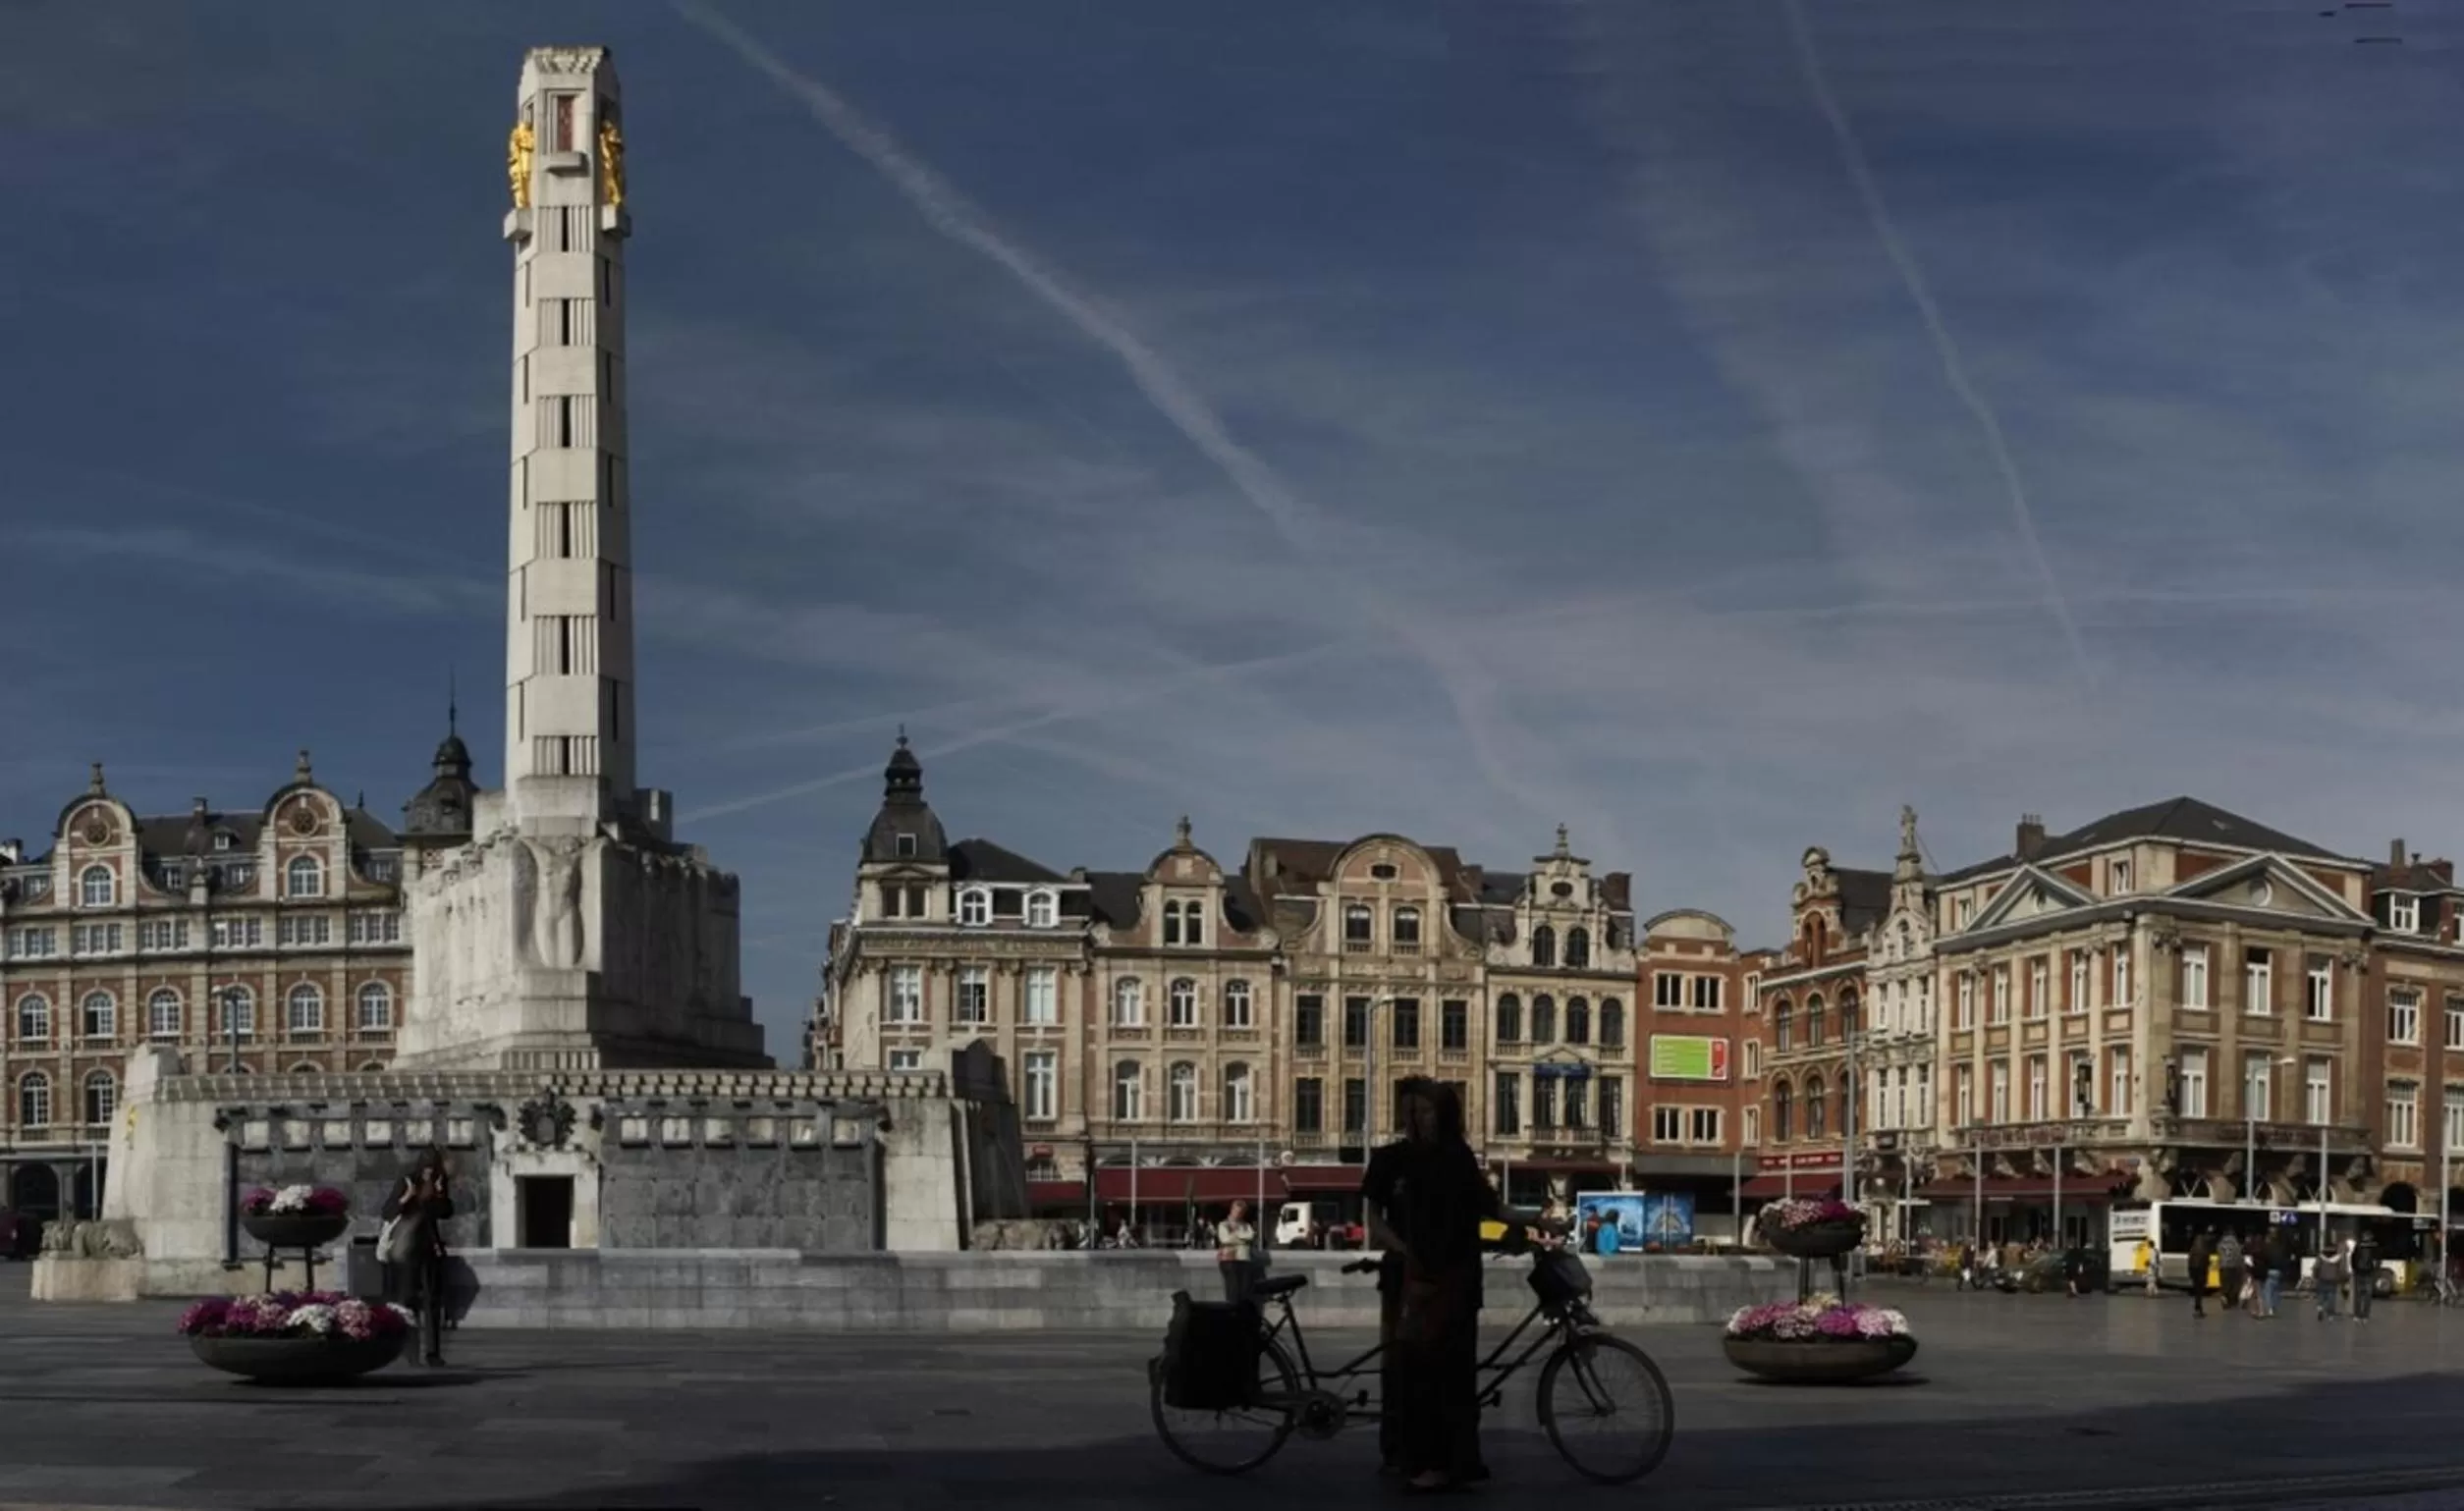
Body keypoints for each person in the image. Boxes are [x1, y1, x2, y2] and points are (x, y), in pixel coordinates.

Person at [1365, 1077, 1502, 1493]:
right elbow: (1373, 1222)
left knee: (1451, 1373)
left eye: (1425, 1110)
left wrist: (1535, 1222)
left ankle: (1448, 1458)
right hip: (1410, 1278)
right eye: (1410, 1111)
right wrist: (1405, 1251)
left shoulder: (1456, 1158)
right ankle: (1406, 1453)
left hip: (1454, 1278)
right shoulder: (1390, 1159)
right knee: (1407, 1370)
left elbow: (1488, 1207)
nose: (1417, 1119)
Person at [381, 1147, 456, 1367]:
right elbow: (387, 1211)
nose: (429, 1173)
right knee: (408, 1300)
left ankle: (433, 1353)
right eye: (426, 1168)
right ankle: (410, 1352)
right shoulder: (407, 1181)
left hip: (429, 1249)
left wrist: (440, 1194)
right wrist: (407, 1198)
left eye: (433, 1168)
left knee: (432, 1301)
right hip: (407, 1251)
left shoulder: (438, 1183)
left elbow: (446, 1212)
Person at [1214, 1201, 1258, 1304]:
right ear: (1232, 1210)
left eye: (1241, 1212)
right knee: (1233, 1291)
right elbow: (1226, 1239)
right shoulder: (1224, 1224)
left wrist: (1236, 1234)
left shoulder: (1246, 1225)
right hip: (1229, 1260)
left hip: (1245, 1259)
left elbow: (1251, 1236)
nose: (1239, 1214)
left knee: (1245, 1291)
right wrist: (1243, 1239)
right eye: (1237, 1211)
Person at [2315, 1236, 2349, 1321]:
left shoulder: (2321, 1256)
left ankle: (2320, 1308)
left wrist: (2316, 1275)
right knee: (2332, 1296)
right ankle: (2330, 1314)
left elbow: (2316, 1266)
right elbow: (2341, 1268)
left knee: (2321, 1294)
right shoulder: (2338, 1257)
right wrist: (2342, 1278)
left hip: (2322, 1277)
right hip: (2333, 1279)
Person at [2187, 1227, 2216, 1318]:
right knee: (2200, 1291)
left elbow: (2190, 1262)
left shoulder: (2193, 1250)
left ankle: (2197, 1308)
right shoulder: (2204, 1249)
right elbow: (2206, 1262)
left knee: (2197, 1291)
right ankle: (2198, 1309)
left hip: (2194, 1271)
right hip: (2201, 1272)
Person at [2350, 1232, 2379, 1322]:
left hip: (2358, 1273)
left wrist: (2355, 1269)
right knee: (2367, 1296)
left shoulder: (2358, 1246)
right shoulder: (2374, 1247)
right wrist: (2375, 1270)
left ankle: (2357, 1315)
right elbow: (2377, 1260)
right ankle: (2365, 1316)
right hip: (2369, 1273)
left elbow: (2352, 1258)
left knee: (2358, 1295)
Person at [2217, 1230, 2245, 1314]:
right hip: (2234, 1266)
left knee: (2224, 1284)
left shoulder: (2220, 1244)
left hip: (2223, 1266)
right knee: (2234, 1284)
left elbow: (2218, 1252)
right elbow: (2239, 1256)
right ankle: (2231, 1301)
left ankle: (2224, 1297)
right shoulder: (2236, 1244)